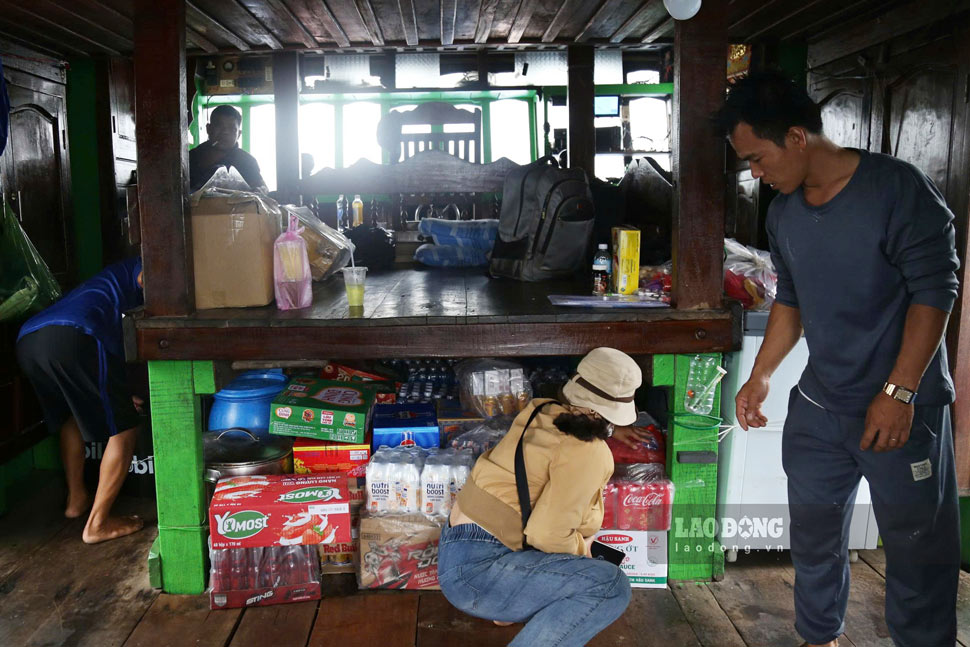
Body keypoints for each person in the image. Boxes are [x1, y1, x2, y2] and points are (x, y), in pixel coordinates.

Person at [714, 71, 960, 647]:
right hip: (822, 404)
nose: (755, 173)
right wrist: (761, 374)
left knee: (917, 546)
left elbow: (935, 292)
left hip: (903, 406)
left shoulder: (898, 190)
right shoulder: (785, 213)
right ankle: (818, 636)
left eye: (757, 157)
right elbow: (792, 300)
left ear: (798, 137)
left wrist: (898, 394)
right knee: (814, 535)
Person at [439, 347, 636, 647]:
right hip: (479, 571)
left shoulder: (541, 410)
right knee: (609, 585)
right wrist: (584, 553)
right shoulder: (587, 450)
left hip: (456, 549)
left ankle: (515, 605)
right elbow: (548, 535)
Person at [16, 257, 146, 544]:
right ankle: (98, 524)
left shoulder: (105, 288)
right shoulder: (140, 264)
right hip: (75, 334)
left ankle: (76, 501)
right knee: (125, 428)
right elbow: (150, 277)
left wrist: (120, 394)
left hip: (29, 341)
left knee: (69, 417)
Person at [189, 105, 267, 193]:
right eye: (219, 126)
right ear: (208, 129)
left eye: (232, 129)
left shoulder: (247, 161)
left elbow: (262, 189)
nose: (225, 132)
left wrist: (260, 191)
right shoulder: (191, 158)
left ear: (239, 134)